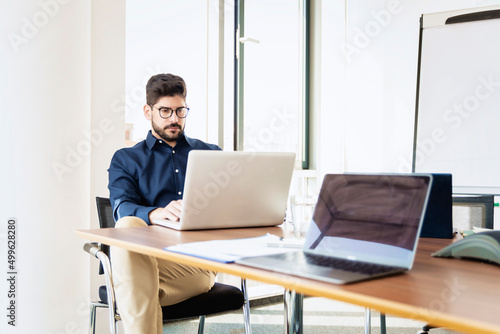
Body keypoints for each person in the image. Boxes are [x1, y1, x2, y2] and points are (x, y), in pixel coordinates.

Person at [107, 73, 220, 334]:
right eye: (165, 111)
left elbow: (233, 203)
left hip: (198, 261)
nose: (174, 119)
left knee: (133, 287)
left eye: (180, 111)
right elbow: (121, 206)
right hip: (145, 255)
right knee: (127, 224)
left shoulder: (210, 154)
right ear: (148, 111)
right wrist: (156, 213)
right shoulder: (125, 159)